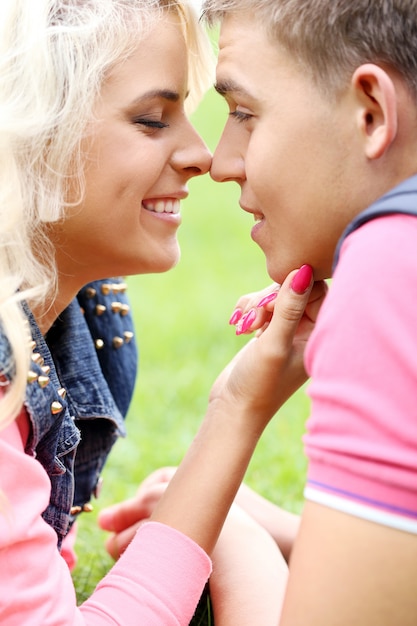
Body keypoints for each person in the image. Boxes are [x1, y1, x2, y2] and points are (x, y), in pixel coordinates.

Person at [100, 0, 417, 623]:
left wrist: (230, 541)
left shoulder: (392, 260)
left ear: (371, 113)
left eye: (244, 113)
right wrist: (309, 535)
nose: (219, 162)